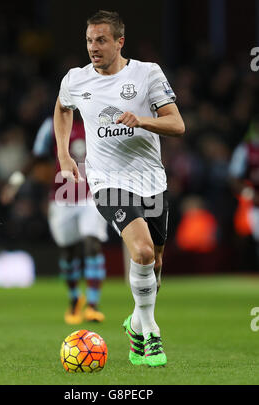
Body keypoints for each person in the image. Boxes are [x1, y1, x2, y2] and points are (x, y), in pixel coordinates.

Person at [53, 10, 185, 367]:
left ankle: (136, 322)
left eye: (101, 41)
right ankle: (151, 332)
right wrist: (65, 156)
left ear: (119, 42)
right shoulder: (76, 80)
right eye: (89, 41)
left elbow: (177, 124)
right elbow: (63, 108)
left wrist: (141, 119)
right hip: (107, 181)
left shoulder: (147, 73)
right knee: (141, 252)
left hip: (152, 180)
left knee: (154, 263)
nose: (93, 48)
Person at [0, 113, 108, 324]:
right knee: (69, 252)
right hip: (62, 196)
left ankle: (93, 305)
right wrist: (15, 182)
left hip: (93, 195)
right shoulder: (51, 125)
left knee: (91, 243)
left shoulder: (99, 116)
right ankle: (75, 298)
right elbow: (36, 156)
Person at [229, 119, 259, 267]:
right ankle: (248, 268)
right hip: (252, 200)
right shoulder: (245, 149)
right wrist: (250, 194)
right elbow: (234, 178)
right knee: (247, 235)